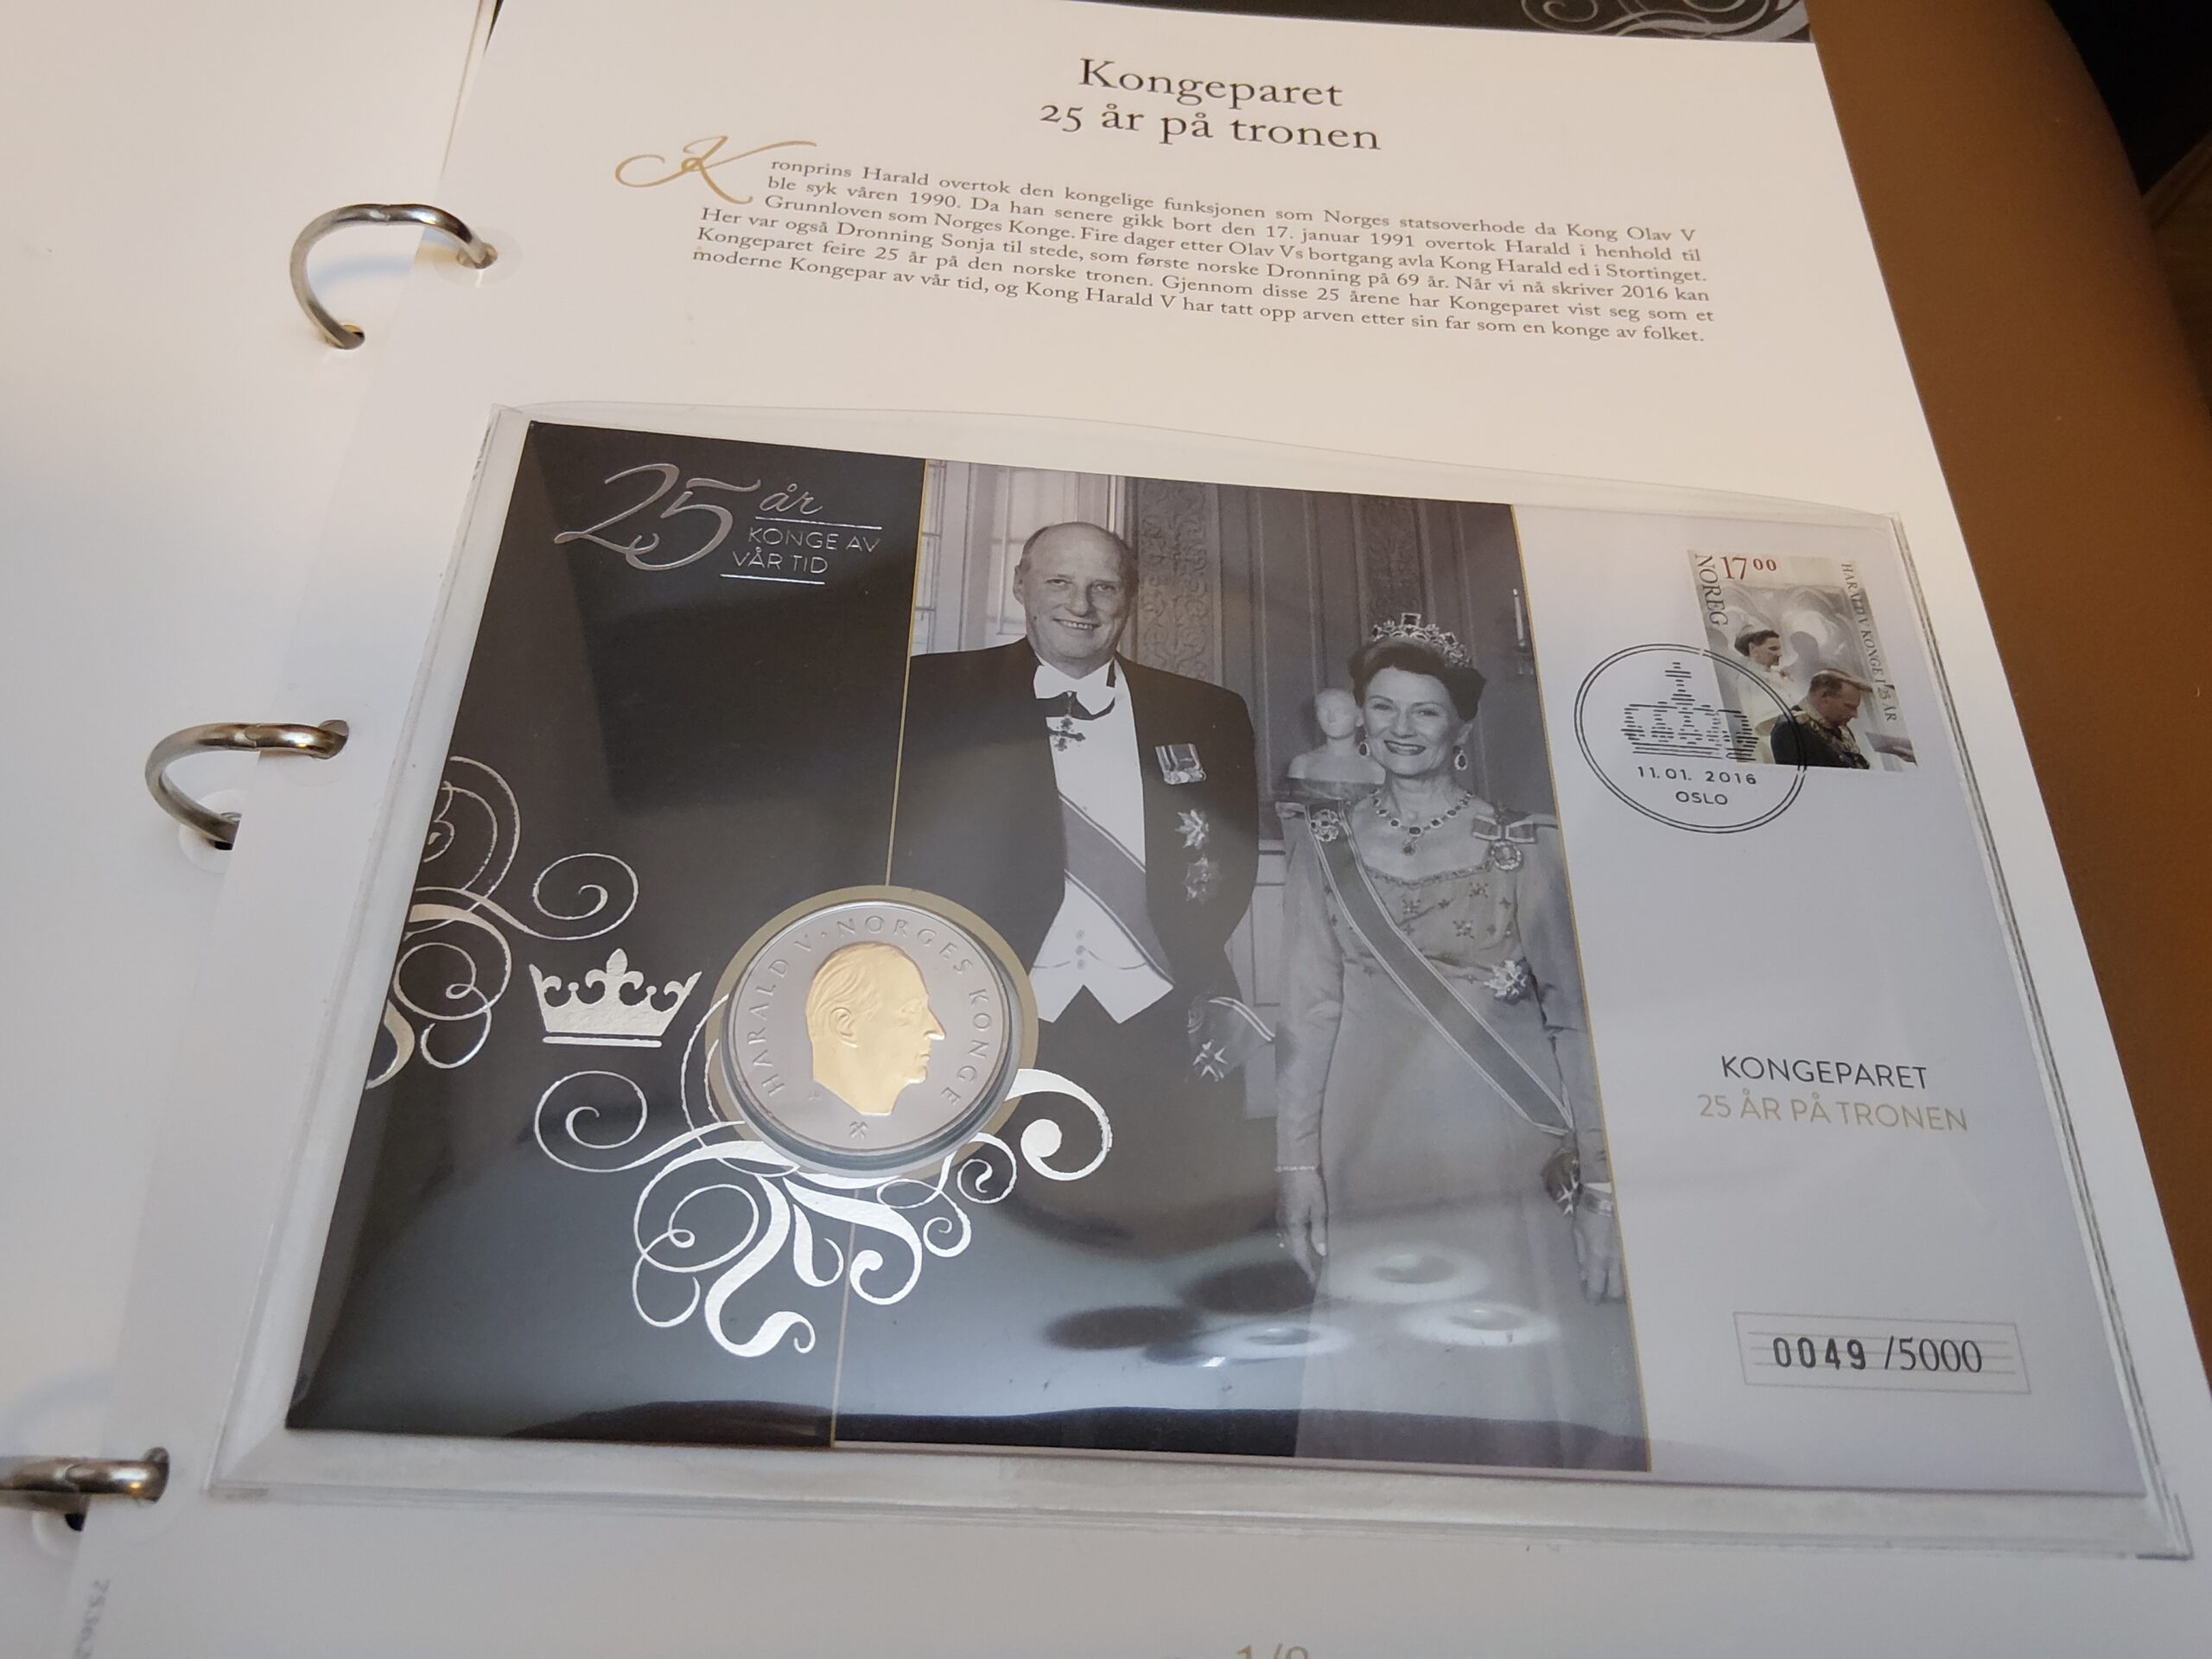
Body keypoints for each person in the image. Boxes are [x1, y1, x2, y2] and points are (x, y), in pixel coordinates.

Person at [1274, 615, 1643, 1470]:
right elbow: (1307, 1011)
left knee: (1507, 1363)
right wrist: (1296, 1165)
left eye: (1426, 711)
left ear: (1461, 728)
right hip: (1367, 1139)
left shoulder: (1522, 844)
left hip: (1498, 1140)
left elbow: (1573, 1020)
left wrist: (1600, 1186)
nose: (1400, 728)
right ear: (1361, 717)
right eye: (1383, 707)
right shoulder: (1322, 843)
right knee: (1384, 1347)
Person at [888, 520, 1265, 1238]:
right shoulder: (931, 693)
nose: (1081, 605)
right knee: (994, 1227)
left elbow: (1233, 862)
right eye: (1059, 582)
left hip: (1159, 1014)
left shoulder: (1208, 711)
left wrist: (1174, 968)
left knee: (1162, 1216)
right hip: (991, 1010)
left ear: (1130, 598)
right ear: (1021, 585)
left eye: (1104, 587)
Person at [1285, 687, 1386, 804]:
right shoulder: (1302, 764)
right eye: (1323, 711)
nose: (1331, 718)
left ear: (1359, 719)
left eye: (1341, 711)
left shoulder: (1376, 769)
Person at [1767, 670, 1873, 768]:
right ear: (1824, 696)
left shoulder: (1840, 728)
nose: (1854, 715)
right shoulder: (1791, 730)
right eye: (1849, 706)